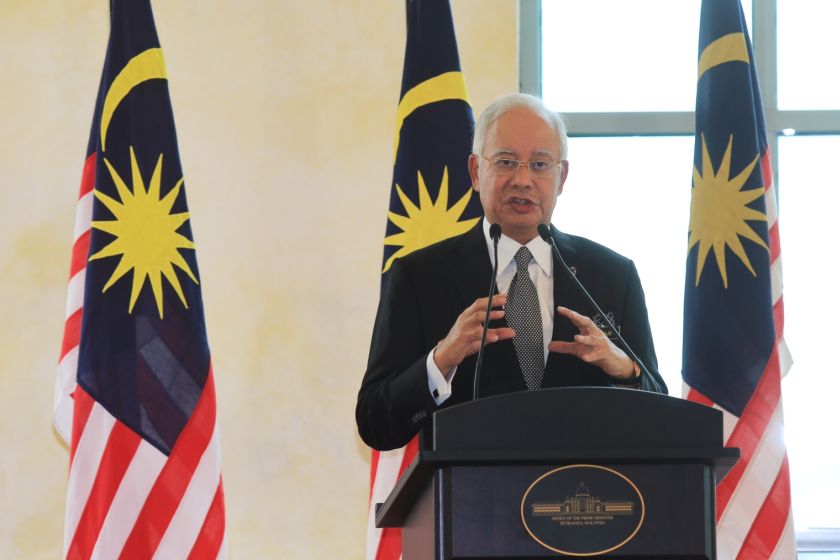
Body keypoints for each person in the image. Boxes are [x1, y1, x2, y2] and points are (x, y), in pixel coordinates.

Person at [356, 93, 667, 451]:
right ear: (476, 171)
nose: (522, 180)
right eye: (506, 162)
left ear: (561, 176)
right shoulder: (419, 277)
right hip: (467, 500)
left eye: (539, 164)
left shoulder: (612, 276)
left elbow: (658, 404)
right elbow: (375, 422)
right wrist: (442, 359)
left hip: (581, 497)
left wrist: (624, 370)